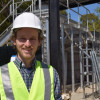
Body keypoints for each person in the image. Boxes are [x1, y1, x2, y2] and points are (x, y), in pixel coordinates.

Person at [0, 12, 62, 100]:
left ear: (39, 41)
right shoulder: (1, 75)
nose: (28, 44)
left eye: (32, 39)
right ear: (14, 40)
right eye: (22, 38)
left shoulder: (51, 73)